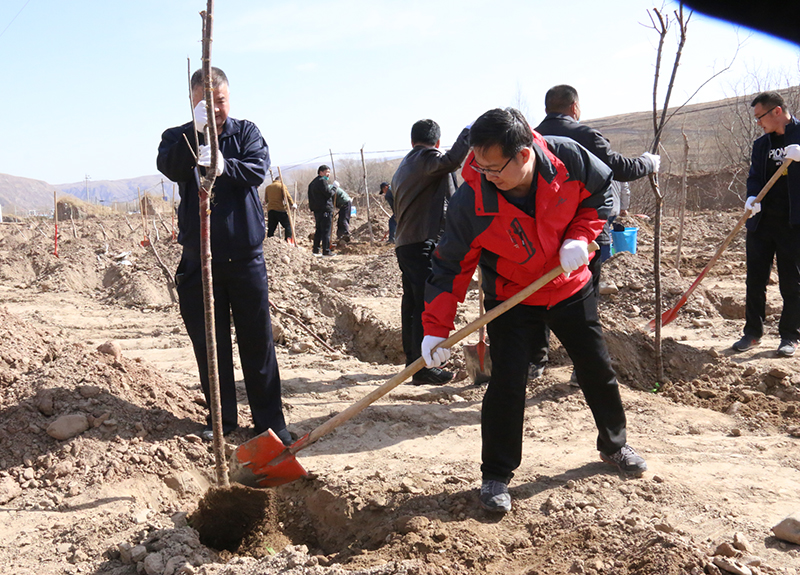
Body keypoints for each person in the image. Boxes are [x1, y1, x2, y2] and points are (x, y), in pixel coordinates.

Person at [421, 108, 647, 513]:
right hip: (512, 297)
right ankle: (496, 474)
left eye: (494, 167)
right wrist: (436, 328)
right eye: (479, 165)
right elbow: (450, 266)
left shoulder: (569, 159)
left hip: (569, 285)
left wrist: (580, 236)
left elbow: (602, 194)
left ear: (524, 155)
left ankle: (614, 444)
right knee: (507, 382)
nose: (486, 175)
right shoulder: (471, 199)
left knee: (595, 366)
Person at [156, 67, 292, 446]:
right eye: (205, 103)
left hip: (245, 259)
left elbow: (256, 169)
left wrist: (223, 165)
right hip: (200, 262)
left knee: (257, 342)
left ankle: (270, 423)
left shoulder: (245, 133)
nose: (215, 109)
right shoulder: (177, 137)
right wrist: (196, 133)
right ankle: (222, 420)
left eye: (220, 101)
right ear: (192, 102)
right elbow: (169, 166)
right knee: (210, 347)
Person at [531, 84, 660, 380]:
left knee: (537, 294)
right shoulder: (586, 136)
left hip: (542, 233)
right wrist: (648, 163)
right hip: (585, 232)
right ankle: (583, 368)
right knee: (584, 300)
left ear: (547, 108)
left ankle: (534, 362)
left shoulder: (530, 139)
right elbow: (617, 168)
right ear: (575, 107)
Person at [392, 119, 471, 385]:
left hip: (406, 243)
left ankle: (413, 364)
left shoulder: (406, 164)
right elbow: (451, 161)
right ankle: (423, 368)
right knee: (425, 305)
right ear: (437, 142)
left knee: (412, 305)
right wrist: (469, 132)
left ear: (412, 140)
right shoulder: (427, 159)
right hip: (421, 243)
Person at [732, 91, 800, 357]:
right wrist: (751, 197)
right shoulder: (761, 145)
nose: (758, 122)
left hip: (793, 224)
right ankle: (752, 333)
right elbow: (754, 176)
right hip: (762, 223)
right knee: (755, 280)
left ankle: (790, 336)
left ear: (777, 111)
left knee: (792, 282)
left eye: (760, 117)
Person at [308, 165, 335, 257]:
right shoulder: (322, 181)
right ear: (321, 172)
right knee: (326, 231)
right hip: (325, 209)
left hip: (317, 210)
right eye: (327, 172)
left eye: (329, 172)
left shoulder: (312, 183)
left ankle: (316, 250)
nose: (328, 174)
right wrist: (334, 188)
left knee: (318, 230)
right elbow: (328, 194)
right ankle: (326, 250)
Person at [264, 175, 295, 243]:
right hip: (280, 209)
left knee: (271, 228)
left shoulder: (268, 187)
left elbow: (266, 200)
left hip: (271, 210)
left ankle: (269, 242)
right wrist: (292, 204)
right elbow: (287, 196)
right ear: (280, 180)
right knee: (288, 226)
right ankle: (288, 240)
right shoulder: (282, 186)